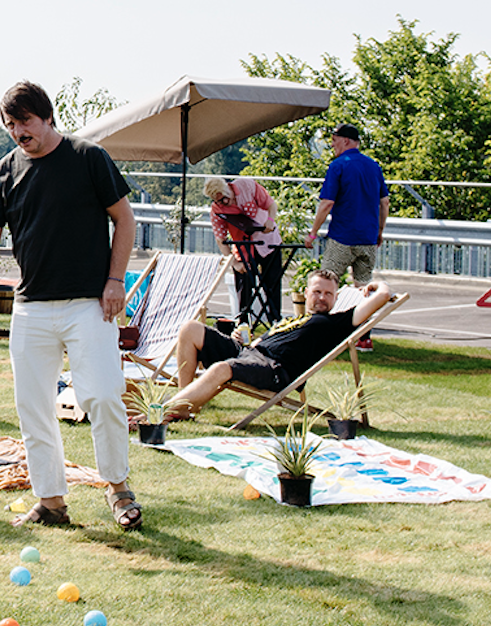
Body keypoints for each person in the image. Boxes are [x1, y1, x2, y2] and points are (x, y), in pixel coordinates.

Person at [0, 81, 141, 531]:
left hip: (88, 305)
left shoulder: (86, 157)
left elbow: (125, 219)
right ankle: (52, 502)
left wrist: (115, 280)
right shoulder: (4, 171)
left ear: (47, 117)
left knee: (102, 395)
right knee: (33, 406)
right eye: (10, 125)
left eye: (25, 122)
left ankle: (118, 488)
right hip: (31, 308)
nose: (19, 132)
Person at [159, 272, 392, 418]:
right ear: (306, 293)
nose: (322, 297)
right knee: (190, 328)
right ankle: (183, 404)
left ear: (335, 298)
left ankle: (160, 414)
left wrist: (376, 285)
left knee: (222, 368)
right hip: (249, 352)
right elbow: (260, 342)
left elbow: (383, 297)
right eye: (317, 291)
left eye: (328, 294)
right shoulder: (294, 319)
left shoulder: (336, 322)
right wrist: (243, 342)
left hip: (275, 369)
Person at [307, 124, 389, 286]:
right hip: (368, 238)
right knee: (363, 287)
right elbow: (384, 202)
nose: (331, 145)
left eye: (334, 140)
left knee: (326, 283)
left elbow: (327, 203)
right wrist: (379, 231)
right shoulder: (374, 166)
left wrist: (313, 232)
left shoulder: (338, 165)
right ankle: (360, 312)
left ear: (345, 141)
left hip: (342, 238)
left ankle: (327, 312)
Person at [206, 175, 284, 329]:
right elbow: (220, 239)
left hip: (268, 242)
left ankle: (276, 322)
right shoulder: (216, 210)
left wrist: (270, 219)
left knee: (272, 284)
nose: (224, 203)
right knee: (244, 288)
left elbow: (271, 204)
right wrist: (234, 262)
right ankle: (243, 325)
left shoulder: (247, 185)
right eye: (218, 201)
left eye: (225, 199)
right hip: (243, 250)